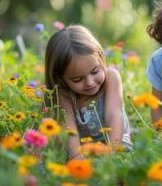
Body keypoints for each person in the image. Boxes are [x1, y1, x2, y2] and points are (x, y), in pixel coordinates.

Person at [45, 25, 132, 160]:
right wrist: (77, 160)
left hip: (116, 144)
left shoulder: (111, 78)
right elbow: (69, 130)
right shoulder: (62, 94)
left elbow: (114, 116)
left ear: (99, 56)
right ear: (60, 78)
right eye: (77, 79)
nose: (90, 82)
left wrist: (111, 157)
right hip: (81, 150)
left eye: (95, 71)